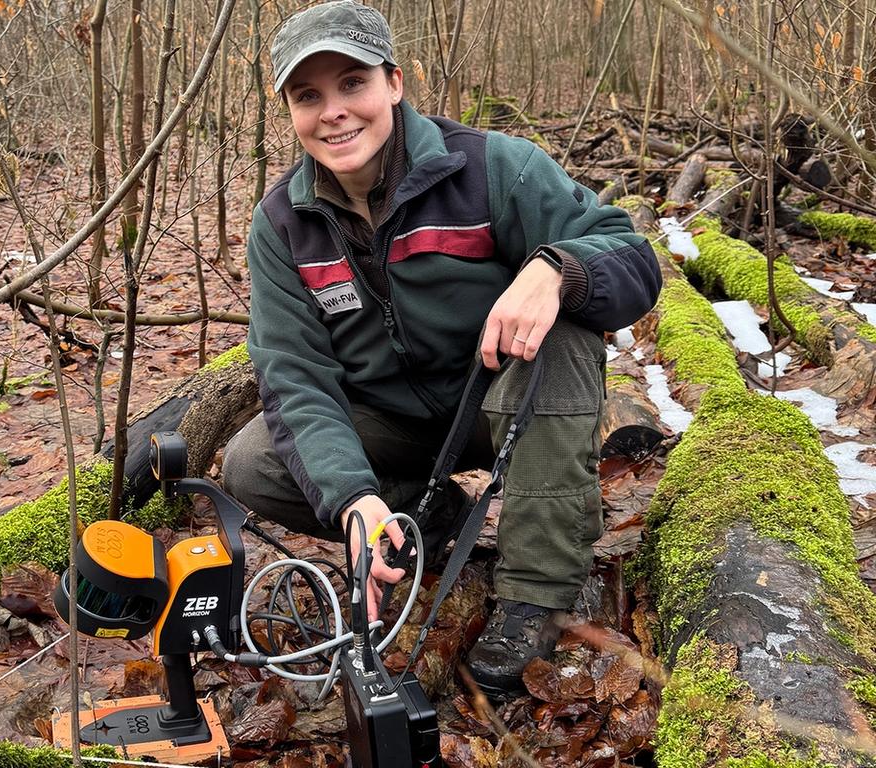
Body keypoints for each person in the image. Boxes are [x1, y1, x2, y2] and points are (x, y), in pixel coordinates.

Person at [222, 0, 661, 699]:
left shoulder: (492, 168)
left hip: (504, 406)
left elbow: (633, 261)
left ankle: (535, 596)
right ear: (289, 111)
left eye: (352, 84)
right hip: (393, 425)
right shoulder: (282, 224)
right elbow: (294, 375)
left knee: (568, 328)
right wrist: (355, 502)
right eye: (309, 96)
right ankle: (426, 525)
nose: (333, 111)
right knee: (253, 463)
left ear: (395, 82)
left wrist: (556, 270)